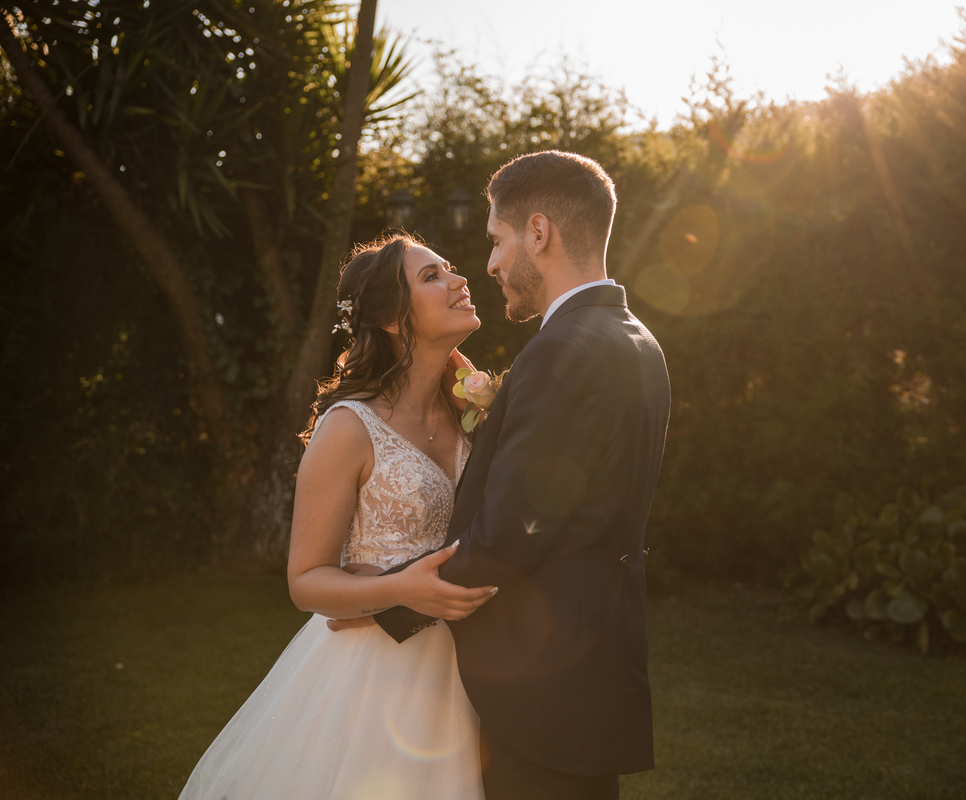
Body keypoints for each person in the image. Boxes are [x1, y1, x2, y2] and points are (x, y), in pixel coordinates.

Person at [334, 150, 672, 800]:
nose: (487, 266)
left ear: (538, 232)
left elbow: (509, 533)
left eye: (494, 242)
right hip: (593, 668)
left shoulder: (561, 351)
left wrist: (387, 605)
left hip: (543, 688)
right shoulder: (634, 339)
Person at [178, 233, 496, 799]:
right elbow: (307, 580)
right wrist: (401, 589)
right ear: (393, 320)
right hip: (374, 672)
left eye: (449, 268)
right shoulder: (348, 428)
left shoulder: (469, 409)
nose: (459, 279)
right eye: (432, 276)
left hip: (468, 666)